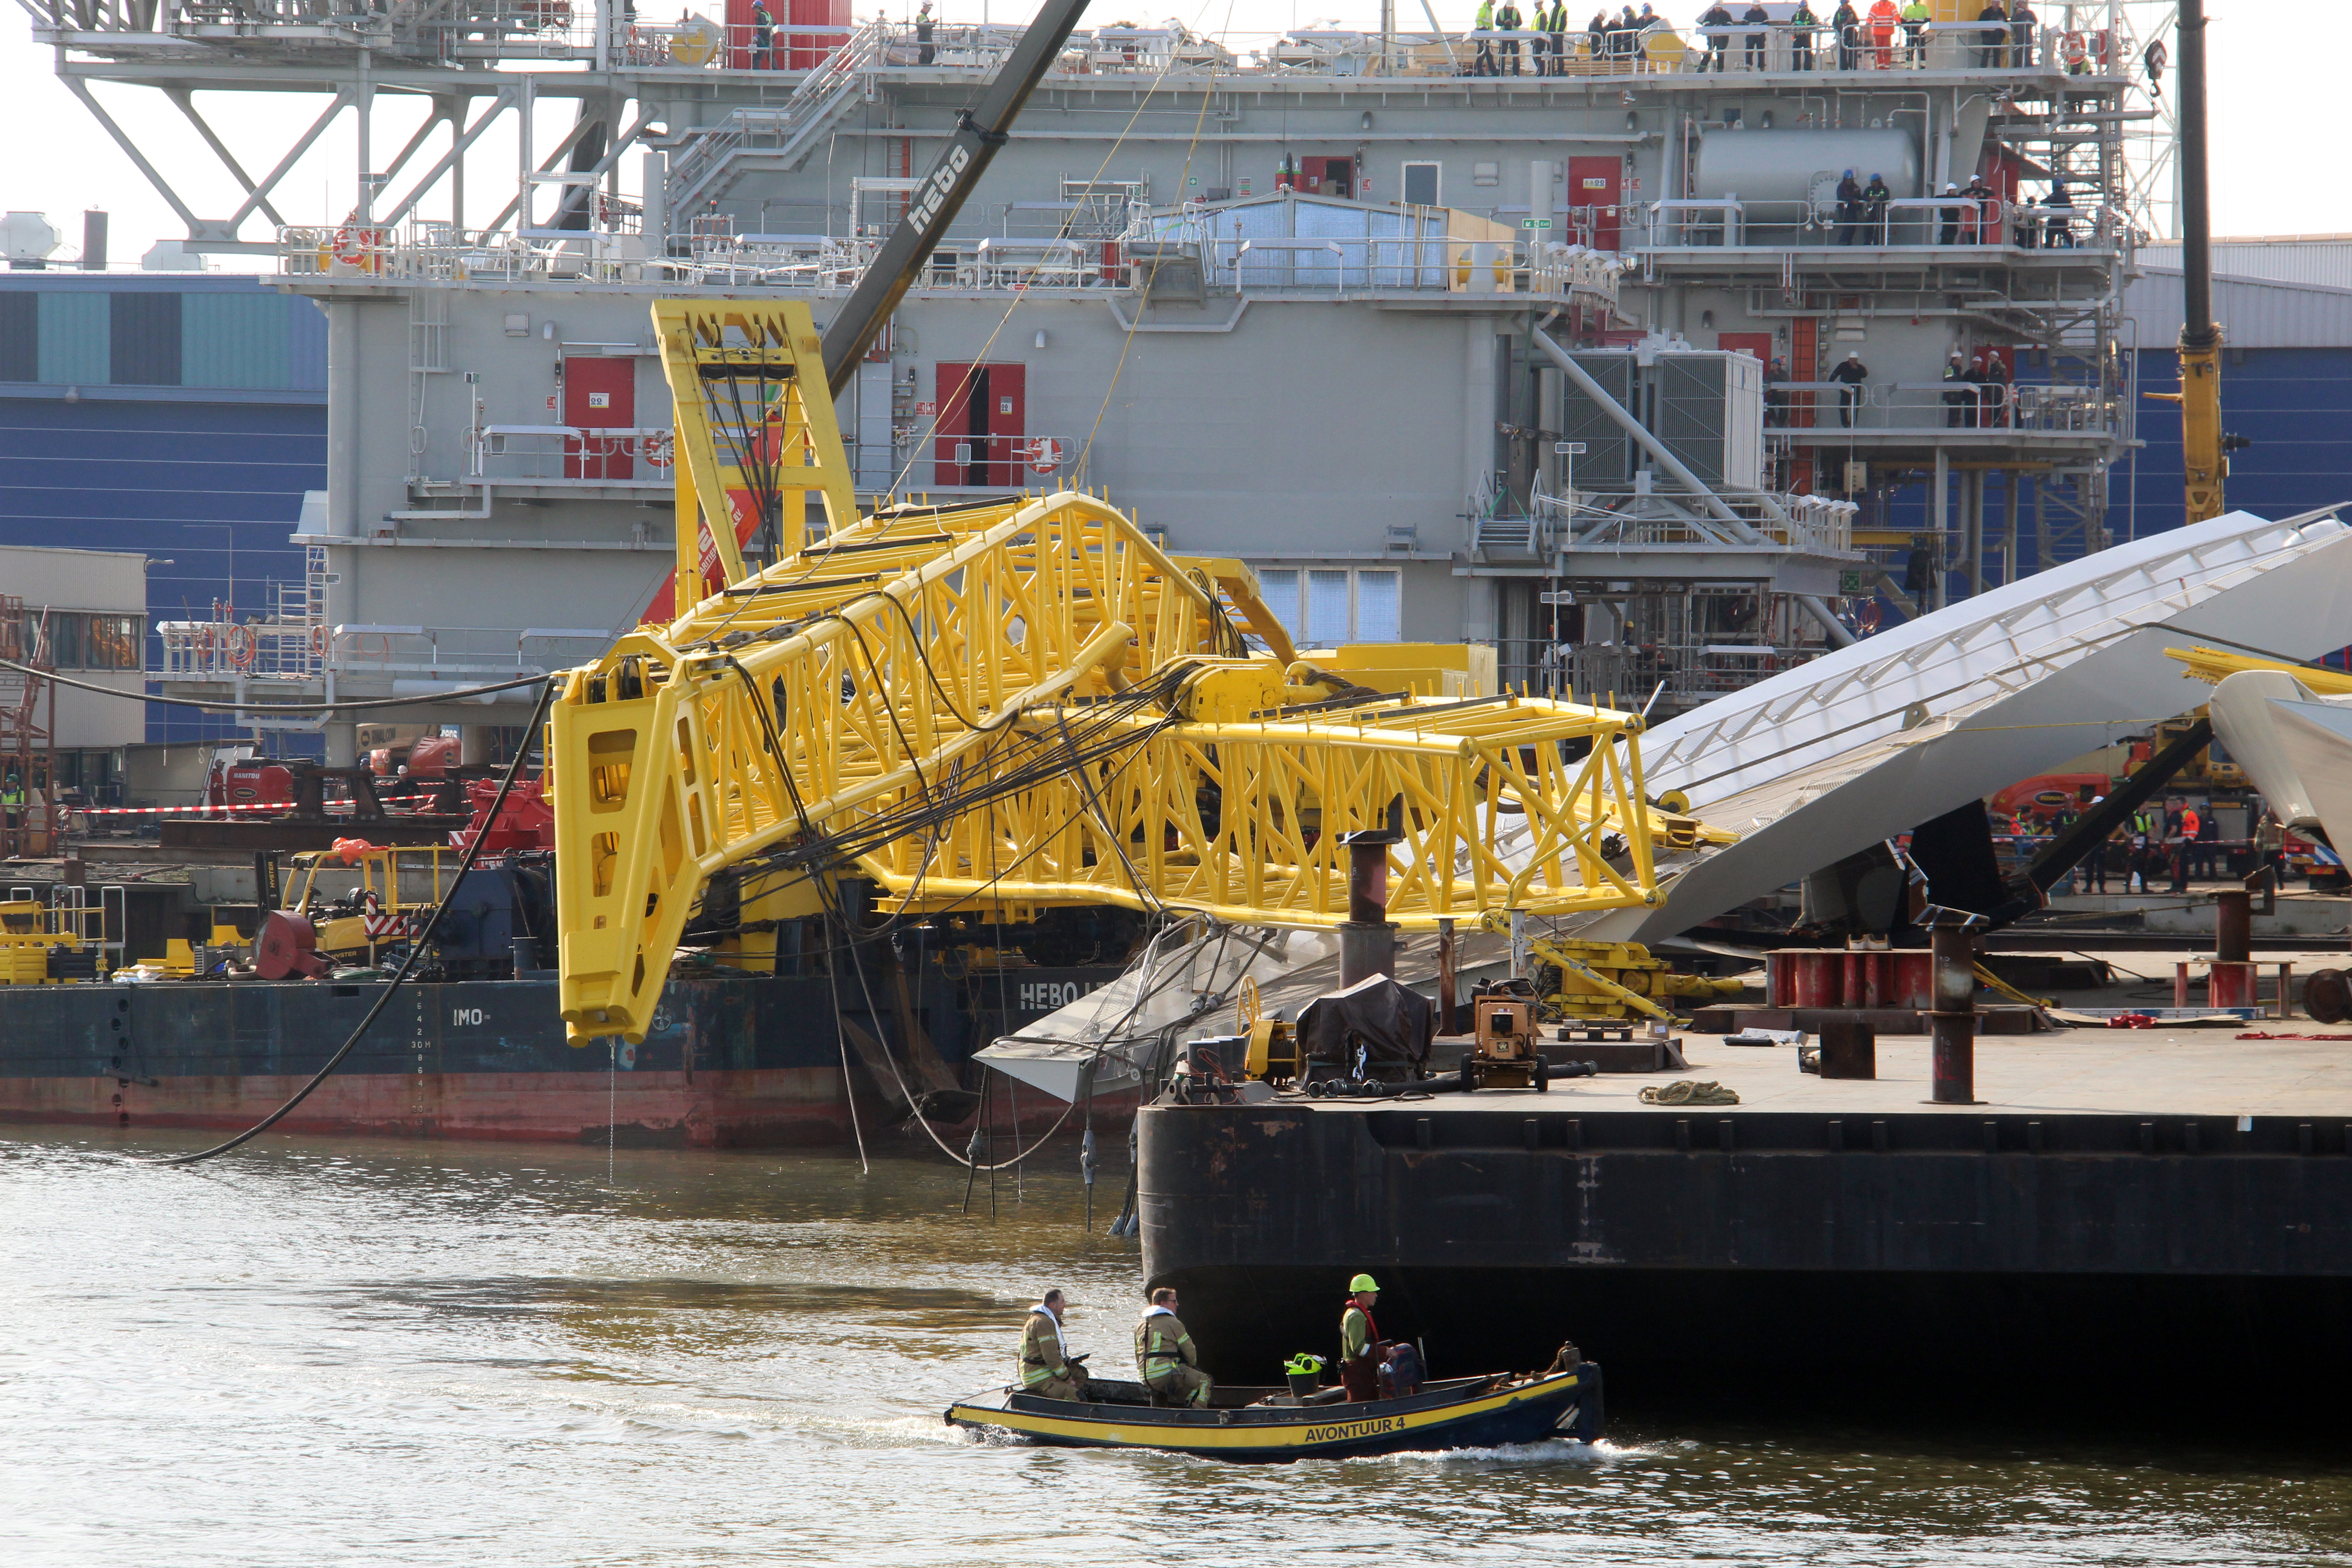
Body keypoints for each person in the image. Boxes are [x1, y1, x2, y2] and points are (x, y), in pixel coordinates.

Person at [1135, 1286, 1211, 1408]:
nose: (1177, 1304)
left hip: (1144, 1376)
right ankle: (1195, 1413)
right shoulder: (1173, 1323)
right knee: (1204, 1381)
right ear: (1163, 1303)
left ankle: (1159, 1416)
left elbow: (1138, 1355)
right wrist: (1192, 1366)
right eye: (1174, 1301)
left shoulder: (1140, 1326)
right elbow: (1190, 1351)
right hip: (1164, 1374)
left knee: (1161, 1382)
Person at [1019, 1289, 1090, 1401]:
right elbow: (1051, 1358)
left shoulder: (1044, 1320)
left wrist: (1067, 1362)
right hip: (1037, 1376)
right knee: (1078, 1397)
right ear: (1053, 1305)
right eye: (1063, 1302)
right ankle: (1066, 1401)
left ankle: (1061, 1394)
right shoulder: (1044, 1323)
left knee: (1081, 1373)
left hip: (1041, 1368)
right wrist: (1068, 1380)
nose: (1065, 1305)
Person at [1338, 1274, 1389, 1401]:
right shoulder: (1357, 1316)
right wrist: (1385, 1352)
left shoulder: (1356, 1314)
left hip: (1362, 1372)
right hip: (1358, 1374)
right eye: (1373, 1292)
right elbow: (1358, 1348)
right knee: (1364, 1408)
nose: (1376, 1295)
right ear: (1364, 1295)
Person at [1831, 351, 1868, 427]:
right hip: (1845, 389)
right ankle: (1845, 424)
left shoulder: (1860, 367)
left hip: (1856, 390)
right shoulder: (1843, 366)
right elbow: (1835, 373)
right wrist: (1830, 384)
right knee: (1843, 407)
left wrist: (1857, 369)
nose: (1853, 361)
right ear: (1849, 359)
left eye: (1855, 360)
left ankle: (1852, 425)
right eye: (1852, 360)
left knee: (1855, 408)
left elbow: (1865, 375)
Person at [1697, 1, 1731, 70]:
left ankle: (1720, 70)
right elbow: (1706, 23)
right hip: (1712, 38)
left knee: (1721, 54)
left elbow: (1730, 24)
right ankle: (1701, 70)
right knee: (1709, 53)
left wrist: (1722, 26)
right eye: (1717, 7)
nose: (1718, 9)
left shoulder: (1726, 14)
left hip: (1723, 39)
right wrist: (1713, 27)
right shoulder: (1710, 14)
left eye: (1719, 7)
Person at [1942, 349, 1971, 427]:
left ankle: (1955, 426)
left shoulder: (1958, 370)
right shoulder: (1950, 369)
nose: (1960, 361)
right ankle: (1952, 428)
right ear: (1955, 359)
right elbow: (1949, 382)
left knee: (1957, 414)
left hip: (1958, 396)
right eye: (1959, 360)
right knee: (1953, 414)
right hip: (1952, 396)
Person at [1983, 349, 2011, 426]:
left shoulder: (2000, 366)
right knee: (1992, 412)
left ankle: (1998, 426)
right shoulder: (1991, 368)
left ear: (1996, 358)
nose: (1990, 359)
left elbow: (2002, 371)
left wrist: (1996, 364)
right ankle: (1994, 425)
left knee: (1998, 412)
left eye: (1992, 357)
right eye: (1990, 357)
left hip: (1998, 394)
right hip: (1992, 395)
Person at [1834, 169, 1862, 245]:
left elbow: (1860, 197)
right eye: (1848, 179)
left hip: (1853, 209)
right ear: (1845, 179)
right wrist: (1852, 200)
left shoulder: (1856, 187)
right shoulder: (1841, 187)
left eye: (1851, 179)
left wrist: (1862, 205)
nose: (1850, 181)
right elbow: (1841, 197)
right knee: (1848, 224)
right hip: (1844, 209)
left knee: (1853, 225)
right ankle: (1843, 241)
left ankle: (1849, 241)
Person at [2194, 803, 2221, 880]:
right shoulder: (2198, 819)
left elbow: (2216, 831)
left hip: (2210, 845)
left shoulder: (2212, 820)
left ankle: (2214, 877)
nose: (2204, 811)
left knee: (2212, 862)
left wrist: (2216, 842)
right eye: (2203, 809)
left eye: (2206, 809)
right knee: (2199, 862)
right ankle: (2198, 877)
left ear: (2208, 810)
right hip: (2199, 844)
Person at [2044, 180, 2075, 248]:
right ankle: (2075, 245)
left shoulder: (2054, 195)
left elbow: (2044, 202)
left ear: (2055, 187)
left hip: (2055, 220)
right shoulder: (2066, 195)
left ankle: (2049, 248)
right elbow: (2070, 205)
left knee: (2050, 233)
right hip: (2064, 220)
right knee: (2065, 232)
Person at [1788, 1, 1818, 70]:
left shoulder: (1811, 15)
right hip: (1797, 36)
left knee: (1808, 53)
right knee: (1796, 53)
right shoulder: (1796, 15)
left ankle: (1808, 69)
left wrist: (1807, 26)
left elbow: (1814, 24)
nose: (1804, 8)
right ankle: (1796, 69)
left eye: (1805, 7)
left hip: (1806, 36)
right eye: (1803, 7)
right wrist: (1796, 25)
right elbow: (1791, 24)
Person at [1974, 0, 2004, 68]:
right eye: (1995, 2)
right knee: (1986, 53)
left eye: (1997, 2)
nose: (1996, 4)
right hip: (1987, 36)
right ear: (1992, 3)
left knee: (1997, 54)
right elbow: (1980, 23)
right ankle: (1983, 69)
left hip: (1998, 37)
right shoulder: (1985, 13)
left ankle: (1997, 70)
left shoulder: (2002, 14)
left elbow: (2007, 25)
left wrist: (2002, 22)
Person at [1867, 0, 1897, 67]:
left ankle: (1887, 65)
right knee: (1879, 50)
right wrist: (1868, 22)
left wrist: (1898, 21)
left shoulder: (1891, 5)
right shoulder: (1876, 6)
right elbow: (1871, 16)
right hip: (1878, 32)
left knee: (1887, 49)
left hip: (1887, 31)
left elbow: (1896, 15)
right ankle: (1880, 65)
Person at [1863, 171, 1891, 243]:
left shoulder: (1884, 189)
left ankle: (1878, 242)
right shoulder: (1869, 189)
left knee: (1880, 228)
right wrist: (1870, 198)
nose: (1872, 183)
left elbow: (1886, 197)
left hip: (1880, 211)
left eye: (1873, 182)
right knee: (1869, 227)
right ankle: (1868, 242)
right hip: (1870, 212)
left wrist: (1878, 199)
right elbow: (1864, 197)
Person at [1832, 0, 1860, 69]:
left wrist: (1851, 22)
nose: (1844, 5)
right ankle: (1843, 68)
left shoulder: (1852, 12)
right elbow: (1834, 24)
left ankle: (1853, 67)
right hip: (1842, 35)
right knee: (1842, 52)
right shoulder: (1838, 13)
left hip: (1851, 34)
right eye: (1843, 4)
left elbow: (1857, 21)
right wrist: (1842, 26)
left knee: (1853, 51)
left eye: (1846, 4)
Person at [1497, 0, 1524, 73]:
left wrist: (1514, 23)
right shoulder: (1501, 12)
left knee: (1515, 55)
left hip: (1514, 36)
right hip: (1504, 36)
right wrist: (1504, 23)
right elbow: (1497, 22)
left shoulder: (1516, 11)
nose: (1510, 9)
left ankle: (1516, 73)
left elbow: (1520, 22)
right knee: (1502, 55)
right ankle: (1501, 73)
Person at [2008, 0, 2035, 69]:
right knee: (2019, 51)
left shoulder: (2030, 13)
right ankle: (2018, 66)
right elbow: (2012, 22)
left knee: (2028, 50)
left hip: (2028, 35)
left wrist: (2029, 22)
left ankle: (2028, 66)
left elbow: (2035, 22)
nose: (2021, 5)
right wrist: (2017, 15)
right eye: (2020, 3)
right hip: (2019, 36)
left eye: (2023, 3)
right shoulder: (2015, 13)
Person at [1901, 0, 1929, 64]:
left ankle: (1923, 66)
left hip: (1921, 35)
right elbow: (1902, 20)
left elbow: (1928, 19)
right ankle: (1909, 67)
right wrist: (1908, 30)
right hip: (1911, 34)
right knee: (1910, 51)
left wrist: (1922, 30)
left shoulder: (1924, 8)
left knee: (1922, 51)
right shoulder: (1908, 8)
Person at [1741, 2, 1768, 69]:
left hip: (1760, 37)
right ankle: (1748, 65)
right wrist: (1749, 25)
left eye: (1758, 5)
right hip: (1751, 36)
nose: (1757, 7)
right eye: (1756, 5)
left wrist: (1759, 26)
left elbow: (1767, 23)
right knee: (1749, 51)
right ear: (1753, 5)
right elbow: (1743, 23)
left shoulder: (1764, 14)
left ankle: (1762, 66)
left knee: (1761, 52)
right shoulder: (1748, 14)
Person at [1473, 0, 1497, 74]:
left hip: (1487, 35)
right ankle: (1481, 72)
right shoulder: (1484, 8)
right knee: (1482, 53)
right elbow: (1478, 19)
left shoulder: (1488, 9)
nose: (1496, 1)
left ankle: (1493, 71)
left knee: (1488, 53)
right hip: (1483, 35)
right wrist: (1482, 27)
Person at [1765, 355, 1790, 426]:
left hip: (1784, 395)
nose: (1773, 366)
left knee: (1783, 412)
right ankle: (1777, 422)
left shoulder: (1783, 373)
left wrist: (1778, 375)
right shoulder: (1771, 373)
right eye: (1773, 364)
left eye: (1775, 364)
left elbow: (1787, 381)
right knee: (1769, 407)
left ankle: (1781, 426)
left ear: (1779, 366)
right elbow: (1767, 381)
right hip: (1775, 394)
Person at [749, 0, 773, 69]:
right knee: (772, 57)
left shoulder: (760, 16)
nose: (754, 11)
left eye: (755, 9)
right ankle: (776, 71)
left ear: (758, 8)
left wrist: (757, 37)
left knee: (757, 57)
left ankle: (756, 71)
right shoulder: (769, 14)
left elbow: (762, 29)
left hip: (763, 39)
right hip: (771, 39)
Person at [1938, 180, 1962, 244]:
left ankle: (1949, 243)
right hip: (1947, 219)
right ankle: (1944, 243)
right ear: (1949, 191)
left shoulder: (1956, 198)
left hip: (1954, 219)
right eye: (1953, 190)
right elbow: (1936, 198)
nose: (1954, 192)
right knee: (1946, 233)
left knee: (1953, 233)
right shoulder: (1944, 197)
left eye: (1955, 190)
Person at [915, 0, 935, 64]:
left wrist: (932, 23)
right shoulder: (921, 16)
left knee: (931, 52)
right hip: (924, 37)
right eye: (929, 8)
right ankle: (922, 65)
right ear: (925, 7)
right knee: (925, 52)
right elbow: (925, 26)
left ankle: (926, 65)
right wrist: (932, 24)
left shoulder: (923, 16)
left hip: (927, 37)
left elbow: (926, 25)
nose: (930, 10)